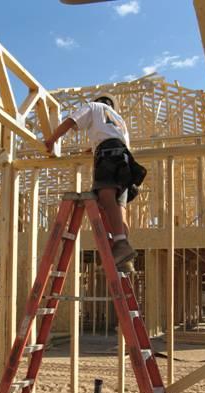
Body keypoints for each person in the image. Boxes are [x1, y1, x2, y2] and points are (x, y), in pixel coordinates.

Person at [44, 93, 138, 272]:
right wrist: (92, 148)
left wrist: (51, 140)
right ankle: (124, 261)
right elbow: (113, 138)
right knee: (119, 206)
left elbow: (70, 121)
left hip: (108, 154)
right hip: (125, 159)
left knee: (105, 195)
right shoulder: (120, 121)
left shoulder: (94, 107)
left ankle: (120, 243)